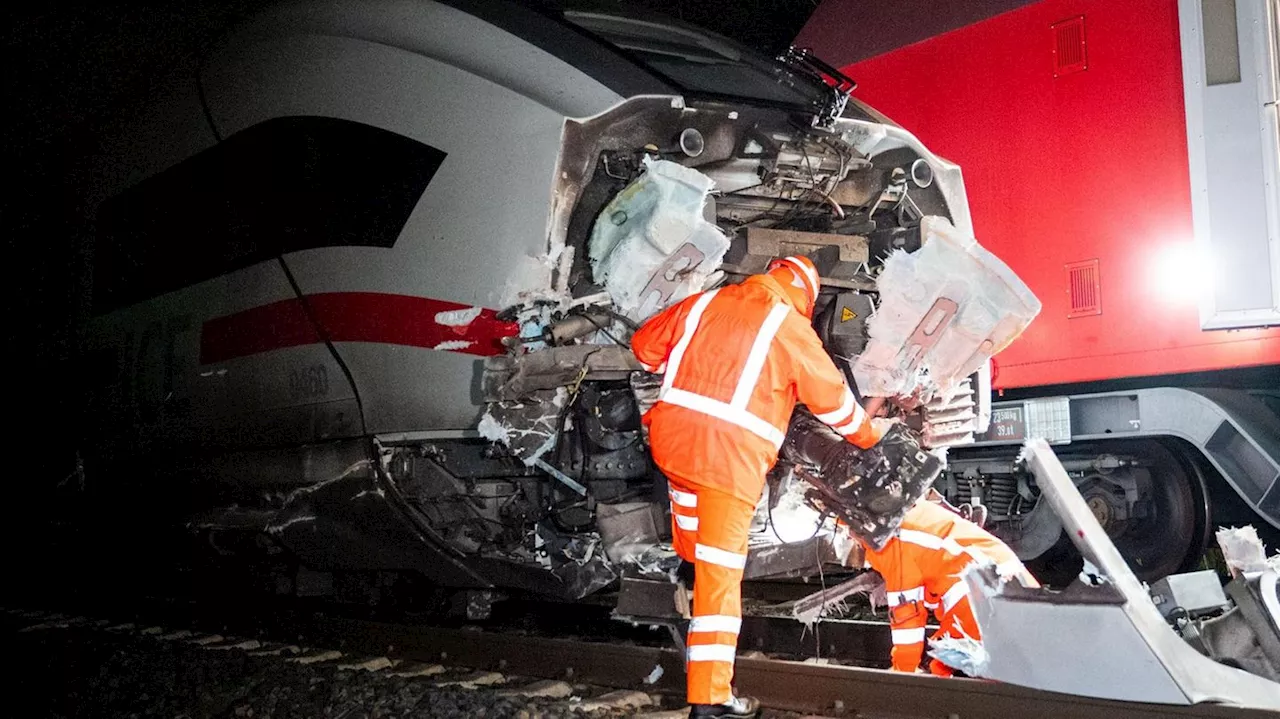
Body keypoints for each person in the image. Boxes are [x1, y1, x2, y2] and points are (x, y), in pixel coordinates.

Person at [631, 255, 883, 718]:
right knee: (720, 580)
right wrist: (869, 436)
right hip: (727, 464)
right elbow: (833, 403)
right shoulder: (789, 327)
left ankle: (688, 565)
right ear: (805, 297)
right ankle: (710, 701)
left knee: (693, 528)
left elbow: (643, 348)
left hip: (673, 447)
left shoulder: (705, 302)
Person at [857, 493, 1039, 676]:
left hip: (986, 603)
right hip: (1019, 592)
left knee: (942, 671)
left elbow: (906, 616)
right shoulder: (916, 513)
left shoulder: (892, 543)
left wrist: (902, 672)